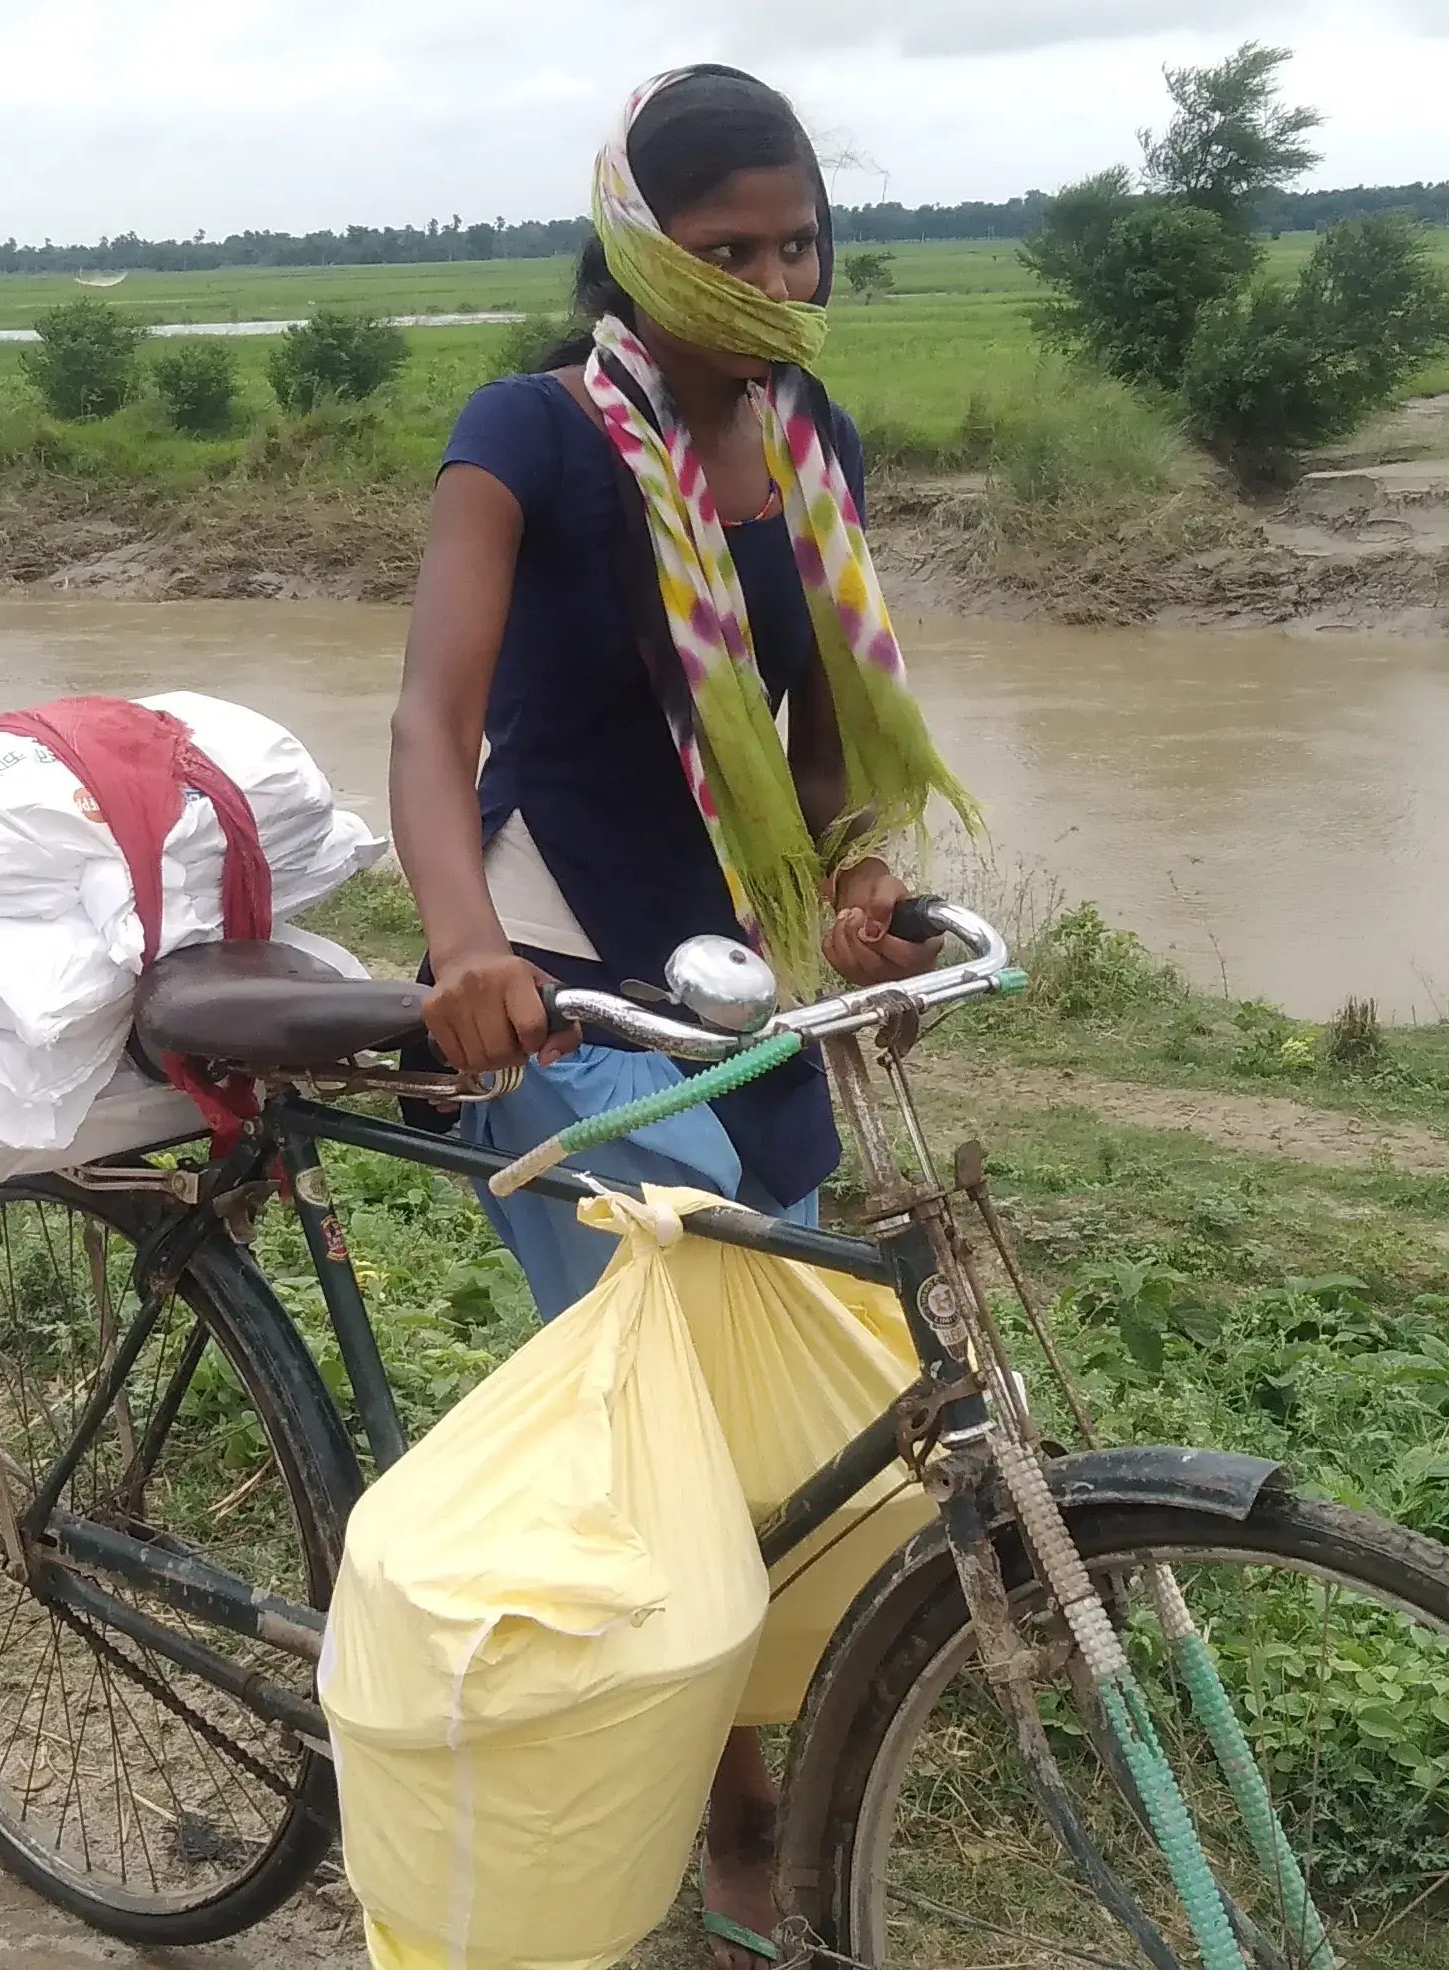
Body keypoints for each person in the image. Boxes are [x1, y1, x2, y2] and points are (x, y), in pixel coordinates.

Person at [384, 63, 974, 1968]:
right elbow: (428, 721)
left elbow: (823, 748)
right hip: (557, 973)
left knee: (787, 1413)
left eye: (799, 240)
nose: (775, 278)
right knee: (684, 1430)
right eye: (727, 247)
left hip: (737, 976)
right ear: (639, 249)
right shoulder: (532, 435)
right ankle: (705, 1809)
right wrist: (466, 946)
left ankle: (736, 1763)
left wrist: (862, 888)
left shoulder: (814, 443)